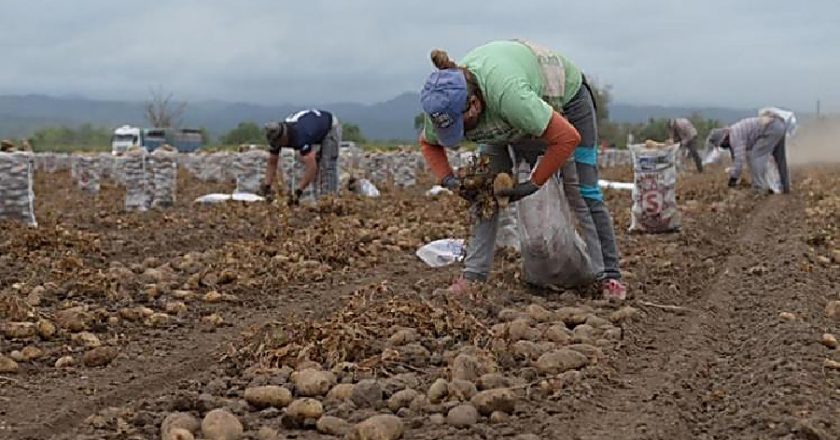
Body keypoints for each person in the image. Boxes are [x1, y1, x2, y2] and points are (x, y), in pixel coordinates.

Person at [418, 40, 626, 300]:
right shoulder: (441, 105)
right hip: (509, 120)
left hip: (566, 100)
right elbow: (428, 143)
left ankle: (609, 276)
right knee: (485, 194)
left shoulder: (509, 96)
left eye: (464, 124)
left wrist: (533, 184)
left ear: (474, 104)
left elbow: (567, 138)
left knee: (583, 191)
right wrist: (450, 181)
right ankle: (473, 276)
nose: (463, 132)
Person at [259, 109, 342, 205]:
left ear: (284, 137)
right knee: (314, 171)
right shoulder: (276, 136)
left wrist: (298, 191)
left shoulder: (301, 136)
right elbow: (272, 161)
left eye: (279, 144)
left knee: (327, 165)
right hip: (313, 127)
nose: (278, 146)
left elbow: (312, 167)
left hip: (329, 127)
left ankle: (330, 201)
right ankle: (318, 201)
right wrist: (267, 186)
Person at [705, 115, 790, 193]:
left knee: (756, 157)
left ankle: (759, 188)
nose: (723, 147)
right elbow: (735, 157)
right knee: (780, 158)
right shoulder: (734, 131)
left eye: (721, 145)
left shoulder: (734, 137)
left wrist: (733, 179)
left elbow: (739, 162)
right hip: (778, 125)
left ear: (723, 139)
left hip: (770, 129)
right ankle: (786, 187)